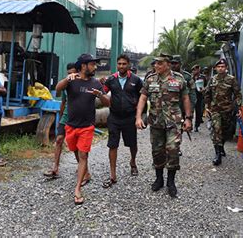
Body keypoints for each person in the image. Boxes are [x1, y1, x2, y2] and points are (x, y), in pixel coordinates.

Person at [55, 53, 110, 205]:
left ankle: (77, 188)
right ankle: (85, 173)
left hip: (87, 126)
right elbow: (57, 90)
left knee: (83, 155)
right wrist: (67, 79)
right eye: (92, 64)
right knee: (74, 150)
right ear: (83, 66)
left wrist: (100, 95)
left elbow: (107, 103)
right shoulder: (72, 81)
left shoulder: (95, 83)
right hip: (71, 125)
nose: (95, 67)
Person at [135, 53, 192, 198]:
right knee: (157, 151)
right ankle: (159, 178)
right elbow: (142, 98)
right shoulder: (150, 79)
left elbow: (185, 98)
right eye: (155, 63)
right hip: (155, 121)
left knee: (173, 150)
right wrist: (138, 117)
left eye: (159, 63)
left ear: (168, 64)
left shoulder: (179, 79)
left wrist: (188, 118)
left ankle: (171, 182)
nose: (156, 66)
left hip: (174, 121)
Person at [44, 63, 91, 185]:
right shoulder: (66, 85)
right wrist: (60, 118)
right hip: (66, 117)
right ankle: (55, 167)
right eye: (68, 73)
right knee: (59, 139)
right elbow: (63, 102)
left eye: (73, 73)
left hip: (78, 120)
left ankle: (85, 171)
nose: (71, 75)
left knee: (79, 148)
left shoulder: (82, 85)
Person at [101, 54, 143, 188]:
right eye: (119, 64)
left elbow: (143, 96)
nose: (121, 66)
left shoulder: (136, 80)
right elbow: (103, 92)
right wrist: (100, 84)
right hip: (114, 117)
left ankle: (133, 162)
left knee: (132, 144)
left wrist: (140, 116)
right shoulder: (111, 79)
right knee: (113, 145)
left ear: (129, 65)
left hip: (130, 117)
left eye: (124, 64)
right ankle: (113, 175)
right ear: (116, 65)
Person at [204, 59, 242, 166]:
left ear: (226, 68)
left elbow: (238, 94)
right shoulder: (212, 79)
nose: (220, 68)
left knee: (225, 131)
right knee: (216, 130)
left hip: (227, 110)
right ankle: (217, 155)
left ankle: (221, 147)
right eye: (219, 66)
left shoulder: (231, 79)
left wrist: (238, 108)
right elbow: (207, 94)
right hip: (215, 110)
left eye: (223, 66)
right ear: (216, 68)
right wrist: (207, 106)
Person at [192, 64, 206, 132]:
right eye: (194, 69)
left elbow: (206, 86)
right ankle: (189, 125)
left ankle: (196, 126)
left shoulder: (203, 77)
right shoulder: (191, 77)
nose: (195, 71)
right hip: (192, 96)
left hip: (199, 96)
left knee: (198, 112)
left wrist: (204, 89)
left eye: (196, 69)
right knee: (190, 111)